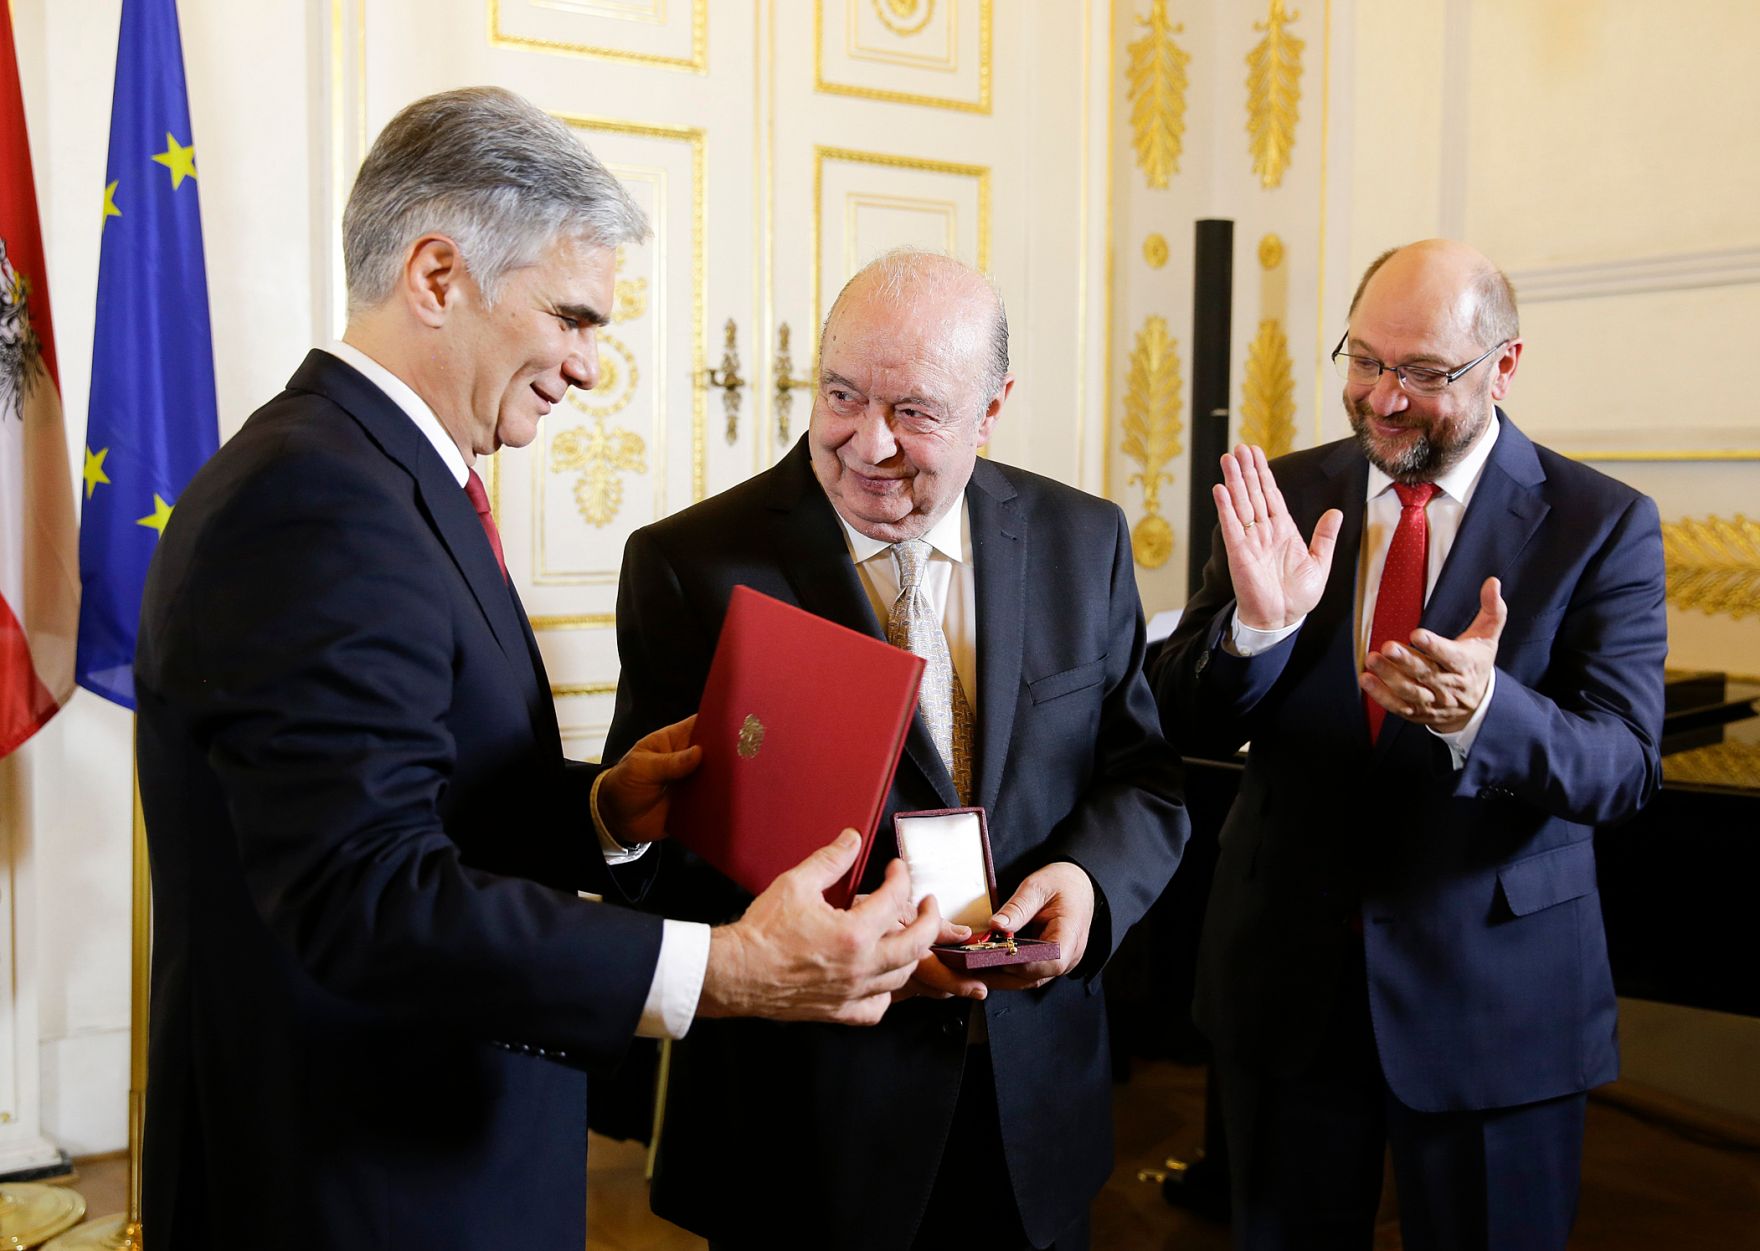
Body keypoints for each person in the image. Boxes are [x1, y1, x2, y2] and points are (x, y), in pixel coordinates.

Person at [134, 87, 942, 1251]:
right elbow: (369, 897)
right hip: (354, 1185)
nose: (588, 367)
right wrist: (724, 968)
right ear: (435, 277)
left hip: (427, 1153)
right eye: (571, 317)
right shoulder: (313, 505)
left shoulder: (379, 476)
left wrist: (600, 809)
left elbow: (427, 790)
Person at [603, 249, 1189, 1250]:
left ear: (991, 407)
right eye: (839, 396)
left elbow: (1140, 778)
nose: (866, 444)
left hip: (1027, 1104)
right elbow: (657, 855)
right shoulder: (688, 565)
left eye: (914, 412)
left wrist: (1088, 888)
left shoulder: (1080, 541)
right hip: (802, 1131)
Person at [1151, 239, 1667, 1249]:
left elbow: (1622, 768)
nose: (1382, 400)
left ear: (1502, 366)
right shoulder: (1282, 496)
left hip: (1493, 1001)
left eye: (1424, 374)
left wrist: (1485, 712)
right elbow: (1181, 718)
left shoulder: (1599, 524)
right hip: (1285, 983)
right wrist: (1253, 631)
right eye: (1362, 361)